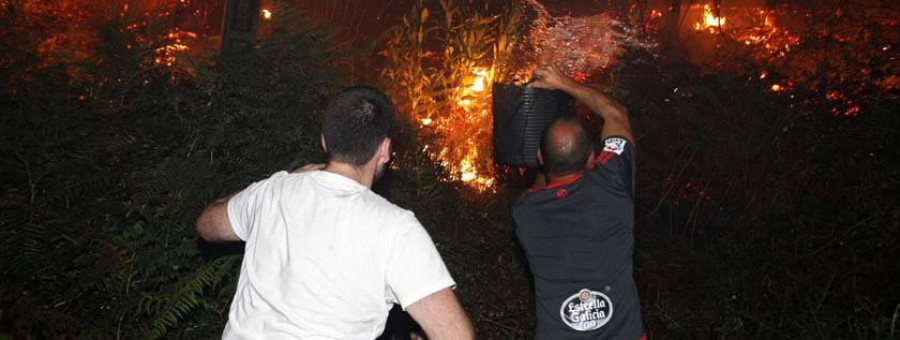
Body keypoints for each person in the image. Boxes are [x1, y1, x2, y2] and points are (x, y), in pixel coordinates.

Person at [196, 86, 475, 340]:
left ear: (325, 141)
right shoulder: (395, 228)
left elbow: (207, 224)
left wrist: (279, 182)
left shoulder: (272, 191)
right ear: (386, 149)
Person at [512, 64, 645, 339]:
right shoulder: (613, 184)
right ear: (592, 158)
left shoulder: (525, 214)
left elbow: (540, 187)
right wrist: (564, 83)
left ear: (539, 157)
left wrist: (543, 162)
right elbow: (616, 114)